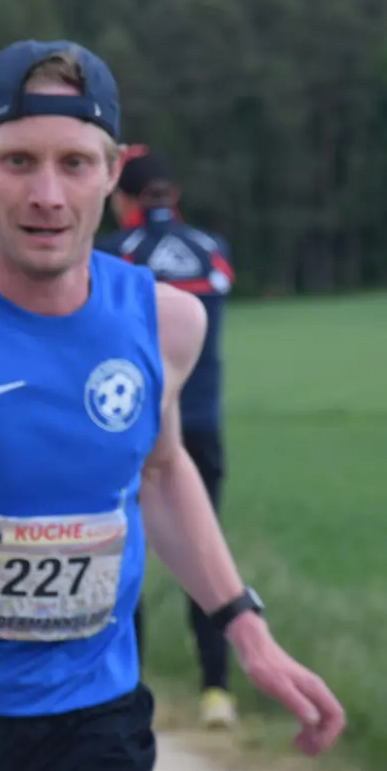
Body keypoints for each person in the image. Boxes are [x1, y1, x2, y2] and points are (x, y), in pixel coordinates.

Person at [0, 39, 344, 771]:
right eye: (18, 162)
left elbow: (160, 471)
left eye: (75, 163)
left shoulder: (165, 322)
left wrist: (243, 626)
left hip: (93, 725)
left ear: (114, 170)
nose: (48, 195)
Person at [96, 147, 243, 728]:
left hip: (132, 428)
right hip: (203, 423)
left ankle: (125, 685)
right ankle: (217, 692)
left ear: (122, 199)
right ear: (173, 193)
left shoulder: (112, 255)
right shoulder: (214, 251)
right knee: (202, 551)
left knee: (122, 555)